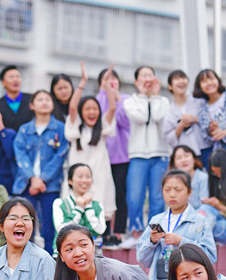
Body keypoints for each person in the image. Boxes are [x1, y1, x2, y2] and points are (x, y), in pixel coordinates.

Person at [138, 168, 216, 280]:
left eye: (178, 189)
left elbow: (210, 257)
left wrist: (181, 241)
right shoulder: (156, 220)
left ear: (189, 192)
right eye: (167, 190)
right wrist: (151, 242)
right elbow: (143, 259)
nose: (172, 194)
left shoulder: (199, 221)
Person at [12, 90, 69, 255]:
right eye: (40, 99)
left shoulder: (60, 128)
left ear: (52, 104)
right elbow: (20, 154)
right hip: (26, 184)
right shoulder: (24, 130)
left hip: (49, 185)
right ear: (32, 105)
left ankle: (48, 259)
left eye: (47, 99)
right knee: (24, 223)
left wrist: (42, 179)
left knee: (49, 226)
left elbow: (60, 156)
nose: (44, 102)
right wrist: (32, 178)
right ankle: (25, 258)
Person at [65, 63, 117, 226]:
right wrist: (82, 83)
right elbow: (72, 107)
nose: (91, 112)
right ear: (81, 112)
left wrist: (107, 86)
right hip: (78, 176)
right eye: (87, 109)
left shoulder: (101, 128)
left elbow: (113, 108)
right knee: (75, 213)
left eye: (95, 109)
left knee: (97, 216)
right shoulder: (75, 127)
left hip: (99, 175)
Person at [124, 66, 170, 238]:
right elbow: (142, 117)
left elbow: (158, 117)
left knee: (157, 197)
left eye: (150, 75)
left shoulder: (163, 101)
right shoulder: (130, 101)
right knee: (135, 196)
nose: (147, 79)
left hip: (160, 154)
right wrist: (144, 96)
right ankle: (135, 230)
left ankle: (154, 232)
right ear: (136, 81)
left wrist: (156, 96)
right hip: (138, 154)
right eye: (143, 76)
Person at [97, 67, 131, 245]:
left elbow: (125, 124)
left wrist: (117, 101)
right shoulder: (97, 101)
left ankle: (118, 231)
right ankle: (103, 231)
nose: (111, 82)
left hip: (123, 156)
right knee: (104, 194)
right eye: (106, 79)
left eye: (114, 78)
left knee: (120, 194)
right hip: (103, 157)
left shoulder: (126, 100)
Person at [53, 163, 106, 246]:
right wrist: (79, 208)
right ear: (70, 181)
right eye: (80, 177)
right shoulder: (60, 203)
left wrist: (88, 206)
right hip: (64, 255)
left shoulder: (97, 205)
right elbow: (62, 232)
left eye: (88, 177)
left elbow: (99, 231)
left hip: (92, 255)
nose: (84, 180)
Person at [163, 69, 205, 158]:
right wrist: (181, 126)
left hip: (205, 148)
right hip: (185, 154)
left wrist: (194, 119)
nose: (181, 81)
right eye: (177, 79)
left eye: (183, 78)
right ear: (170, 86)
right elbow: (168, 139)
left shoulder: (199, 102)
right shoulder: (169, 112)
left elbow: (210, 120)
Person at [0, 65, 34, 131]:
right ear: (3, 82)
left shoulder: (32, 100)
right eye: (11, 77)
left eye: (18, 76)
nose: (15, 79)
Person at [170, 145, 208, 209]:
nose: (183, 160)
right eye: (179, 158)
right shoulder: (172, 181)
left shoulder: (203, 178)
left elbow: (204, 205)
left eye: (186, 156)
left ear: (194, 159)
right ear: (174, 164)